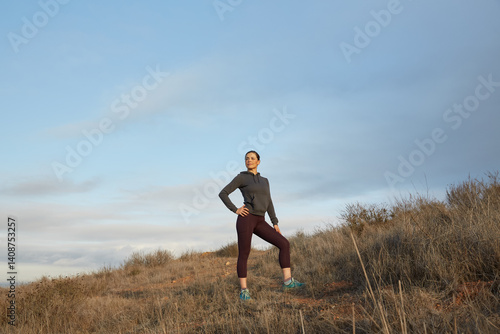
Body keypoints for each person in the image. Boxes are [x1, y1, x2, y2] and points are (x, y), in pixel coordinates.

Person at [219, 150, 304, 300]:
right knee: (244, 254)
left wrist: (275, 222)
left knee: (284, 244)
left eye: (252, 158)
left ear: (258, 161)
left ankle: (288, 282)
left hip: (261, 220)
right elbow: (223, 193)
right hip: (246, 218)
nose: (249, 160)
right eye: (247, 158)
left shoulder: (265, 180)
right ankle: (244, 290)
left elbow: (269, 201)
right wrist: (236, 210)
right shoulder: (241, 178)